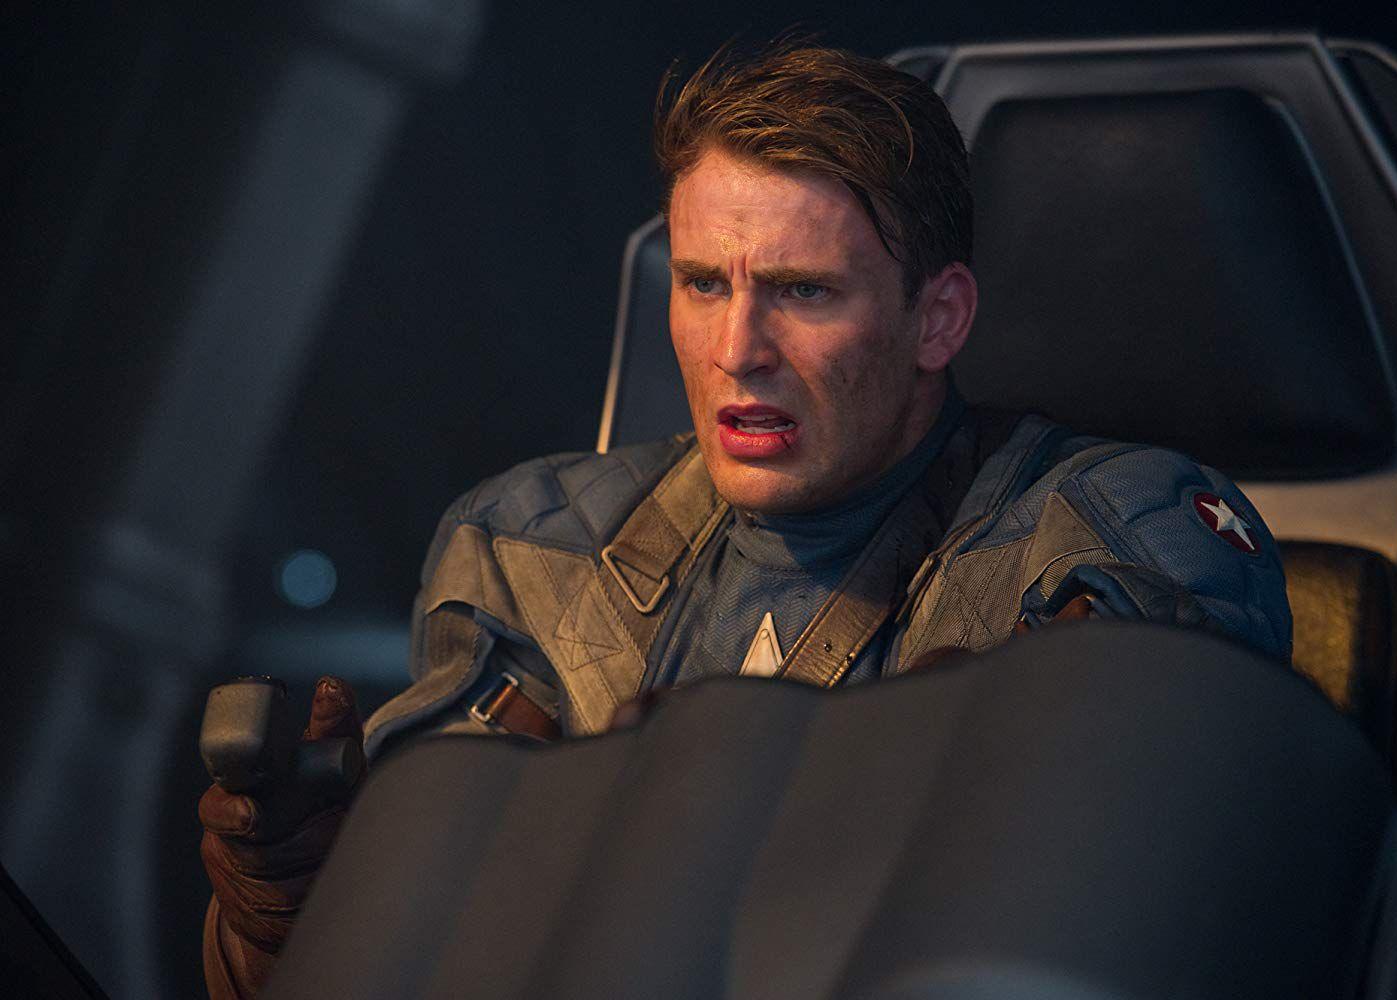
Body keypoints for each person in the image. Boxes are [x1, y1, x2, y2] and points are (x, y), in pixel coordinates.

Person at [199, 40, 1292, 997]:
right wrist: (291, 915)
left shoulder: (1114, 538)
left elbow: (1116, 927)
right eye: (703, 284)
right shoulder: (532, 550)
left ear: (938, 318)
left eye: (803, 291)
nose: (736, 351)